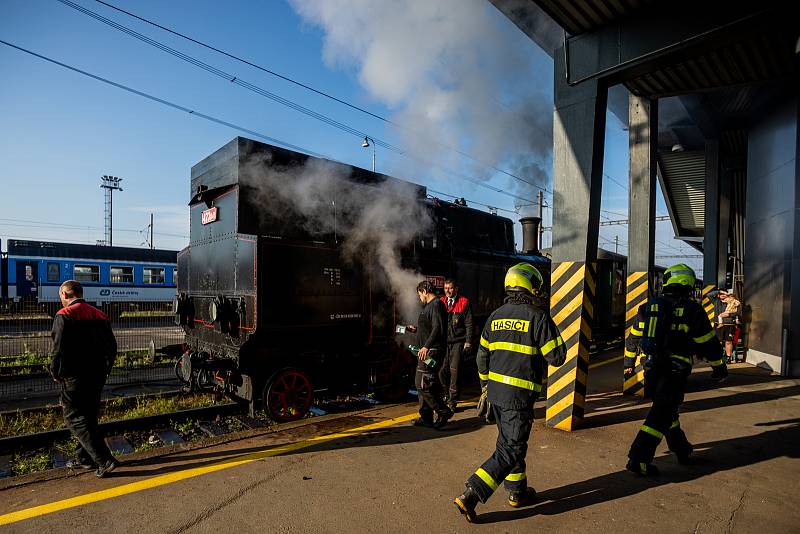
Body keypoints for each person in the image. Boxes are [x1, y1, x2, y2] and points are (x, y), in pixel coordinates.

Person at [454, 263, 566, 523]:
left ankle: (517, 492)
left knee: (509, 444)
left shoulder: (495, 316)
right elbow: (558, 356)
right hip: (519, 398)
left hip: (495, 396)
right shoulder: (537, 317)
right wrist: (550, 324)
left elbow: (482, 358)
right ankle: (471, 494)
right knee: (511, 450)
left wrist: (485, 386)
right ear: (529, 286)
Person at [624, 264, 727, 476]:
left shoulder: (648, 307)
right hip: (675, 370)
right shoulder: (693, 310)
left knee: (667, 411)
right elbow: (708, 343)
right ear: (688, 284)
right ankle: (638, 459)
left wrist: (628, 364)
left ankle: (682, 450)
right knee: (660, 415)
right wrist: (719, 368)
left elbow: (633, 338)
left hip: (651, 369)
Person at [50, 280, 120, 478]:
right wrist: (106, 368)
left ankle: (104, 460)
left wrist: (55, 372)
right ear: (80, 293)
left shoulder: (64, 315)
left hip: (74, 376)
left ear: (64, 294)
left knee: (72, 417)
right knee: (88, 417)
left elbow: (58, 349)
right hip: (97, 374)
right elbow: (112, 347)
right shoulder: (100, 314)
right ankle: (84, 458)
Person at [408, 280, 452, 429]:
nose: (420, 298)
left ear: (425, 291)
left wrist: (426, 346)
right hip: (425, 350)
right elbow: (430, 328)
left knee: (422, 385)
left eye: (420, 294)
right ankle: (426, 417)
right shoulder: (430, 306)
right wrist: (416, 329)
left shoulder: (436, 305)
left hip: (431, 352)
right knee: (424, 383)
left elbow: (437, 329)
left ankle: (443, 411)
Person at [439, 279, 474, 412]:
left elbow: (469, 324)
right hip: (444, 343)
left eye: (450, 288)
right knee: (442, 371)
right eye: (446, 288)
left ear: (456, 289)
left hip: (458, 342)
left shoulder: (464, 302)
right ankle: (446, 396)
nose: (448, 290)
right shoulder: (441, 302)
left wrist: (468, 342)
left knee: (455, 371)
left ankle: (453, 401)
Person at [717, 291, 741, 363]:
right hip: (719, 325)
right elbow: (710, 294)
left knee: (728, 341)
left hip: (730, 324)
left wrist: (729, 315)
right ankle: (717, 357)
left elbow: (738, 312)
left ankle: (728, 358)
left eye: (726, 295)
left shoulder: (735, 302)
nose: (725, 296)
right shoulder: (718, 301)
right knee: (718, 341)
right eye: (722, 295)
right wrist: (720, 292)